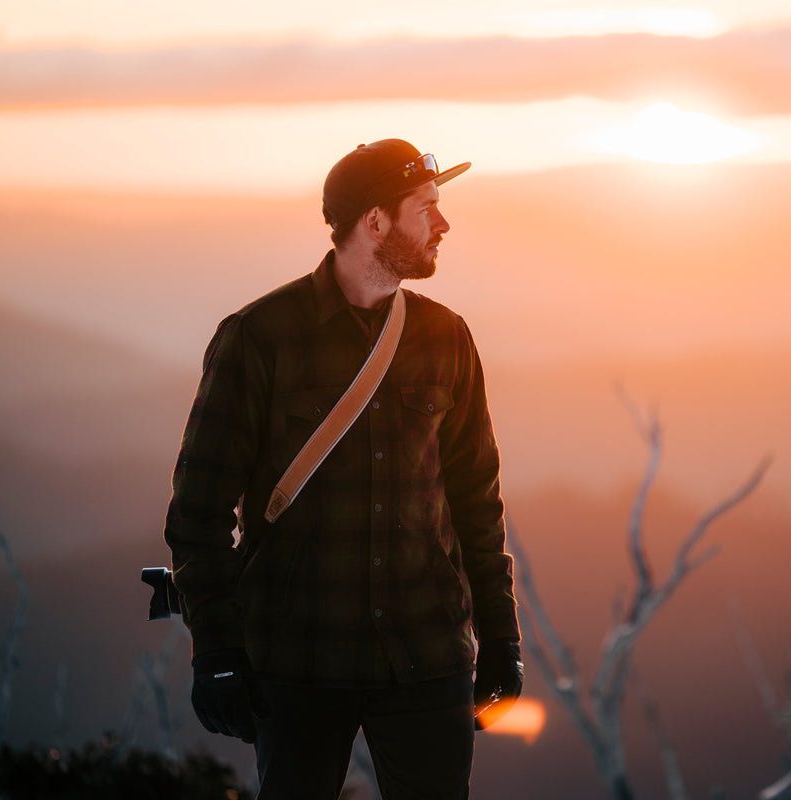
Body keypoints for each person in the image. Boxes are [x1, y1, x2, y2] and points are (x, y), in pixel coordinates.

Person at [162, 138, 522, 800]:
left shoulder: (447, 338)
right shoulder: (259, 339)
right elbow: (198, 514)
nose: (444, 224)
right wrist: (214, 650)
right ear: (376, 221)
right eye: (427, 208)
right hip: (298, 663)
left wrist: (501, 639)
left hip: (427, 657)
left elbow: (476, 504)